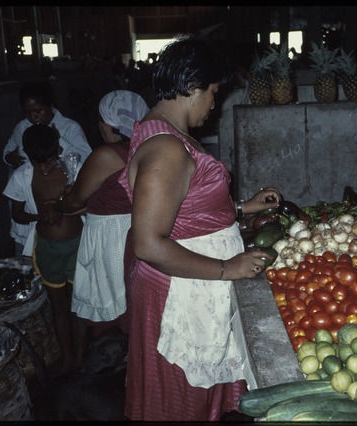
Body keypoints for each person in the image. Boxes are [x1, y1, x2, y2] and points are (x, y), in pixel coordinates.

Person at [117, 34, 282, 421]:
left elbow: (185, 207)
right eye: (212, 93)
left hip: (190, 280)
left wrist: (241, 207)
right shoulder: (166, 150)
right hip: (178, 288)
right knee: (180, 402)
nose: (214, 105)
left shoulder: (165, 135)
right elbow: (148, 243)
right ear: (192, 87)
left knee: (193, 397)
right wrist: (229, 268)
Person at [46, 90, 149, 365]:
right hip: (133, 233)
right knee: (126, 307)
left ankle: (100, 371)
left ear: (106, 124)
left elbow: (75, 201)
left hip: (109, 240)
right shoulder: (147, 150)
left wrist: (60, 201)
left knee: (107, 314)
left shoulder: (106, 155)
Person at [3, 123, 84, 376]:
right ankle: (68, 358)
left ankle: (81, 357)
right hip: (48, 250)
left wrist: (65, 204)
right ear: (27, 155)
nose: (44, 168)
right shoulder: (22, 176)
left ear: (59, 150)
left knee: (78, 304)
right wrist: (41, 216)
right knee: (59, 307)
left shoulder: (74, 171)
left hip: (77, 246)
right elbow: (17, 214)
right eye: (38, 164)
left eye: (49, 162)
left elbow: (89, 203)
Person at [3, 81, 91, 257]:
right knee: (29, 254)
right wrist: (9, 158)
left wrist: (59, 141)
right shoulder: (22, 128)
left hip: (63, 213)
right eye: (27, 112)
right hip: (30, 202)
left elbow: (86, 158)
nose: (33, 117)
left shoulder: (69, 127)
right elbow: (8, 149)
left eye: (38, 111)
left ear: (50, 106)